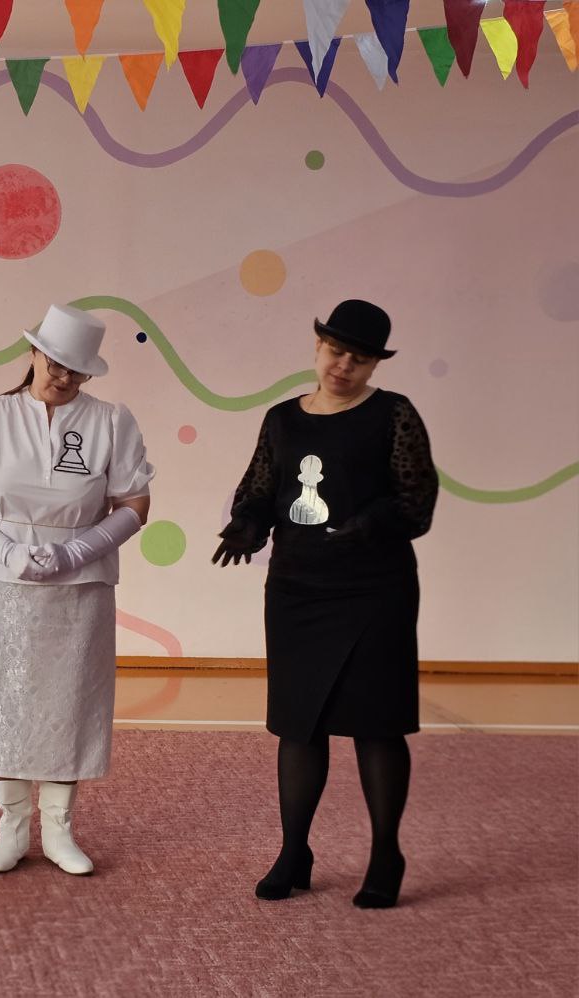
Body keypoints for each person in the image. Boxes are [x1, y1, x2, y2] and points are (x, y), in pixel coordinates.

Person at [213, 299, 438, 909]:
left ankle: (386, 853)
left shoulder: (394, 413)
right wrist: (247, 524)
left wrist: (370, 523)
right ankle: (294, 851)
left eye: (359, 359)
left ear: (375, 365)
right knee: (298, 722)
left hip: (375, 589)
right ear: (317, 346)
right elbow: (260, 489)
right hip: (297, 588)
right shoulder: (282, 419)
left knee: (377, 724)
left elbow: (417, 501)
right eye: (336, 351)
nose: (344, 366)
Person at [0, 304, 153, 875]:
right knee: (4, 701)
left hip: (79, 587)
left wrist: (78, 550)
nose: (63, 376)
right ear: (33, 353)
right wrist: (5, 549)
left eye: (76, 369)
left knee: (68, 703)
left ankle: (59, 829)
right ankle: (11, 827)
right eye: (55, 363)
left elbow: (134, 504)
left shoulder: (110, 422)